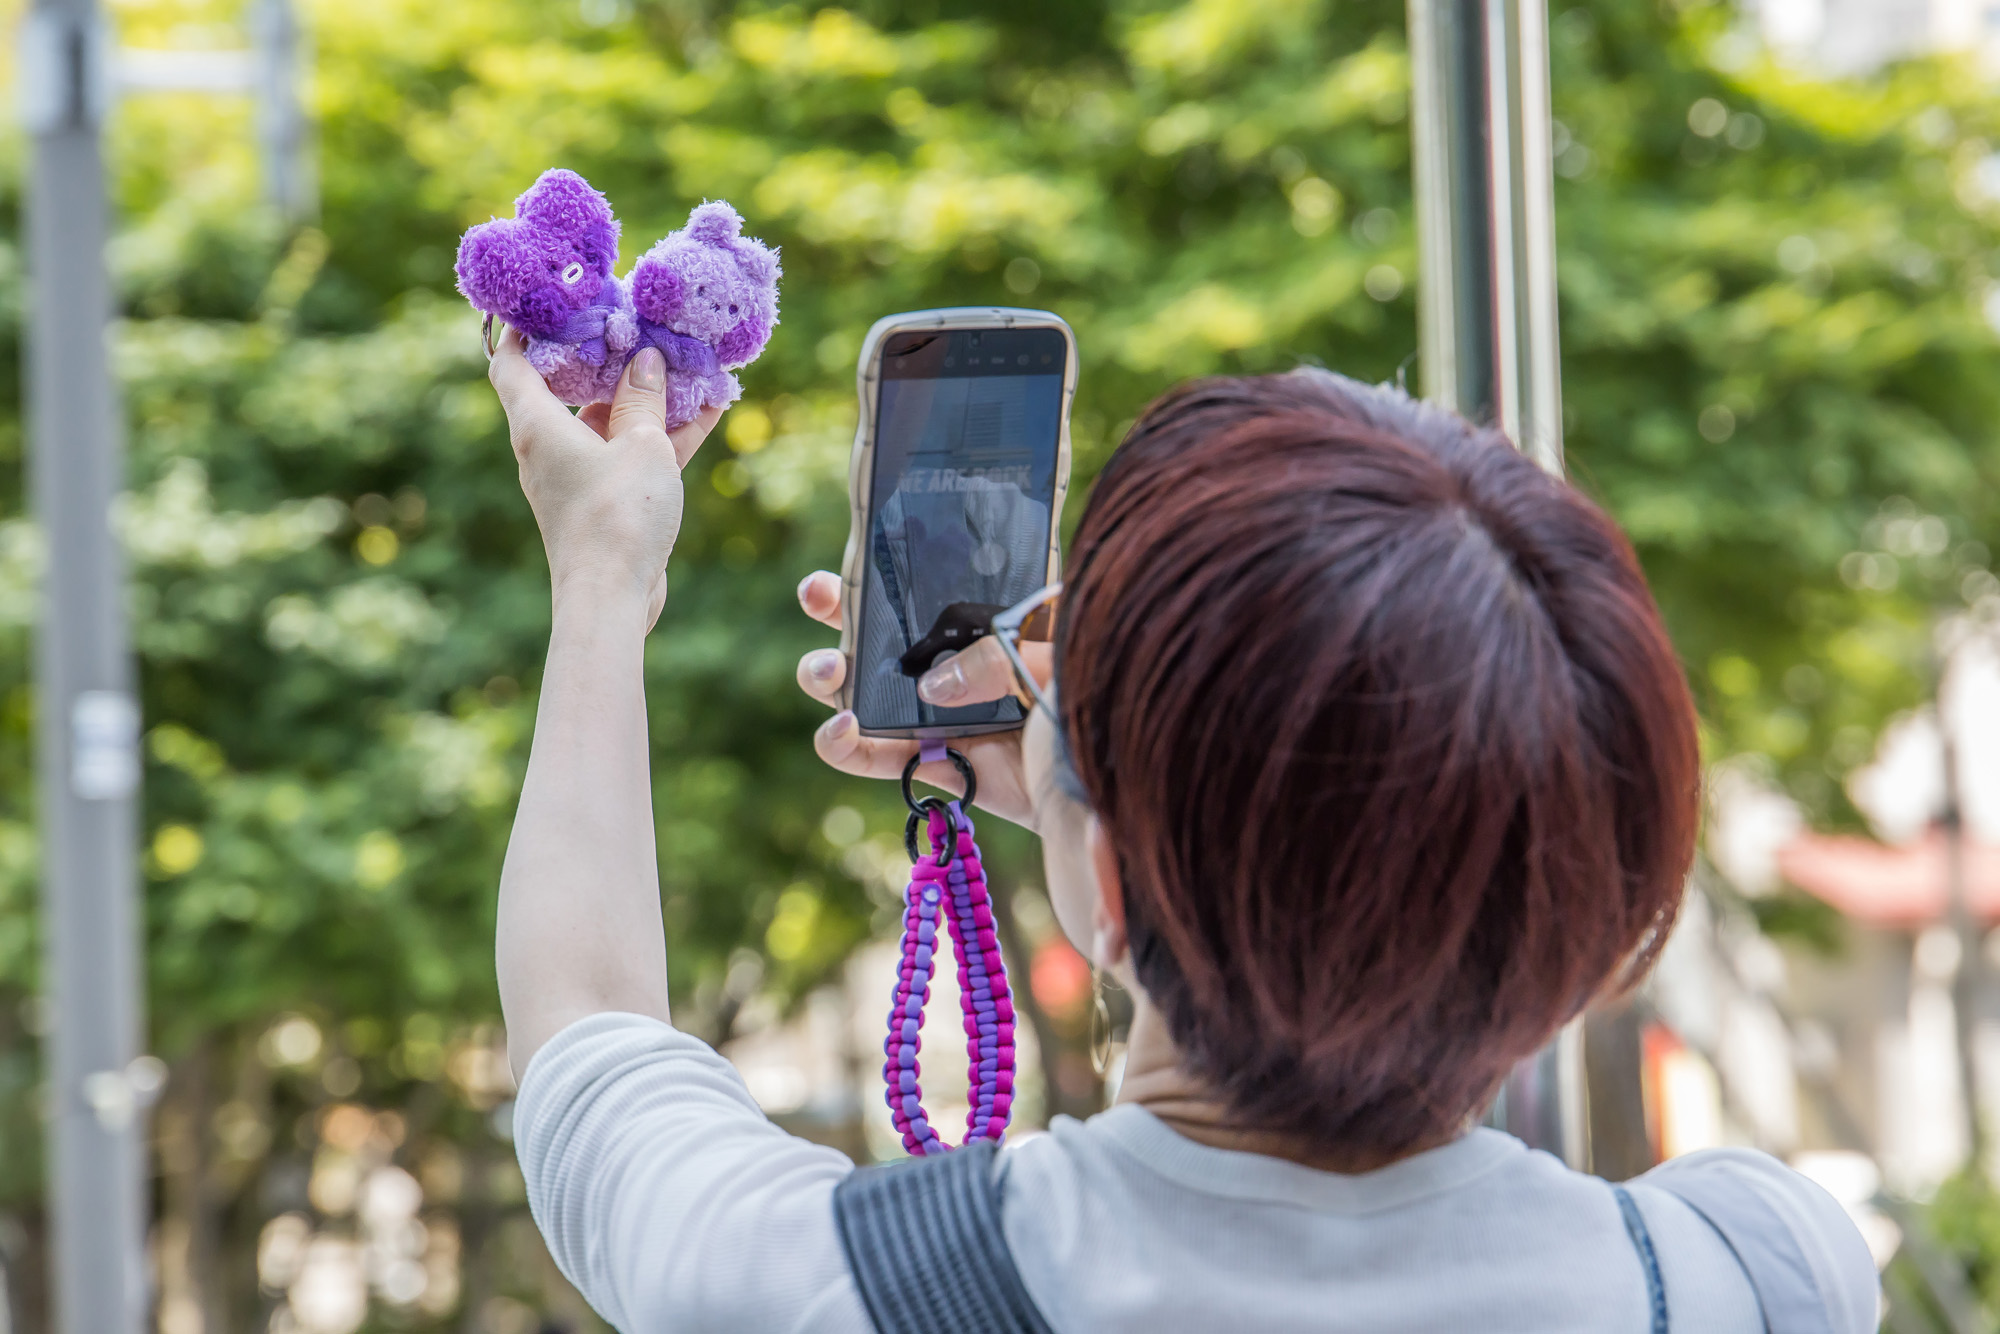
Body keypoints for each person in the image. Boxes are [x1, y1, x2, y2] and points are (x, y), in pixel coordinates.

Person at [486, 334, 1880, 1332]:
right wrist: (1134, 802)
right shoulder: (1751, 1273)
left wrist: (603, 576)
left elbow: (590, 1029)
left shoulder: (821, 1282)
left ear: (1102, 874)